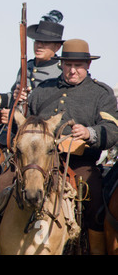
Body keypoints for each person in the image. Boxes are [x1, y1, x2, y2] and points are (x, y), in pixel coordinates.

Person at [27, 39, 118, 254]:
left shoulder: (101, 93)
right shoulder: (42, 90)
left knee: (96, 202)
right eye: (68, 65)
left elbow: (112, 130)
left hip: (80, 164)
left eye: (78, 65)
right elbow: (27, 124)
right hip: (38, 162)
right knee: (2, 187)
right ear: (61, 64)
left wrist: (90, 133)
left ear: (88, 65)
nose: (73, 71)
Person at [0, 10, 65, 131]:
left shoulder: (60, 72)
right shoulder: (28, 66)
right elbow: (16, 96)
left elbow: (52, 108)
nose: (39, 45)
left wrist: (14, 116)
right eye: (37, 41)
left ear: (57, 47)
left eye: (45, 42)